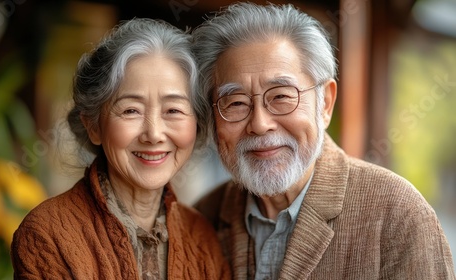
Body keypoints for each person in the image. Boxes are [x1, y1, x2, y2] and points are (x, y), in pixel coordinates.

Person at [192, 2, 455, 279]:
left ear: (325, 103)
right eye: (235, 103)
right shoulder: (204, 217)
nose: (259, 124)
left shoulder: (397, 214)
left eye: (281, 96)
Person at [11, 18, 230, 279]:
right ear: (93, 126)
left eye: (173, 110)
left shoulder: (203, 239)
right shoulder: (48, 234)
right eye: (131, 110)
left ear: (197, 124)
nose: (154, 134)